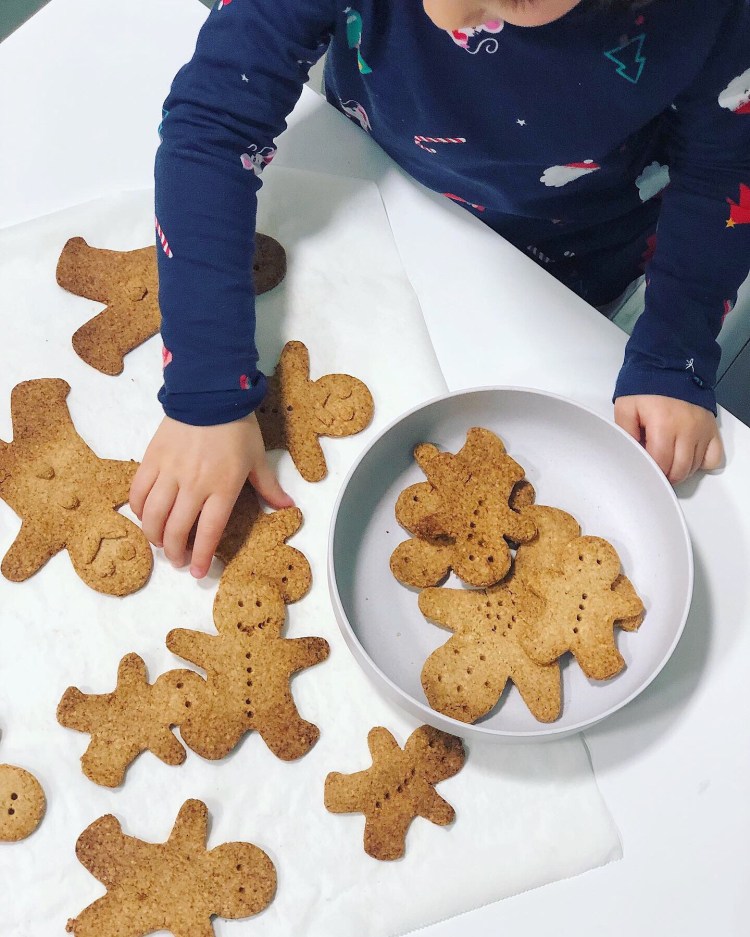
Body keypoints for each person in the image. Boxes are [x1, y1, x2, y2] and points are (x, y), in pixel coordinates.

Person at [130, 0, 750, 578]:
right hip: (370, 171)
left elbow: (724, 172)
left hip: (566, 258)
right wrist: (208, 387)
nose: (453, 18)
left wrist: (673, 351)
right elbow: (212, 126)